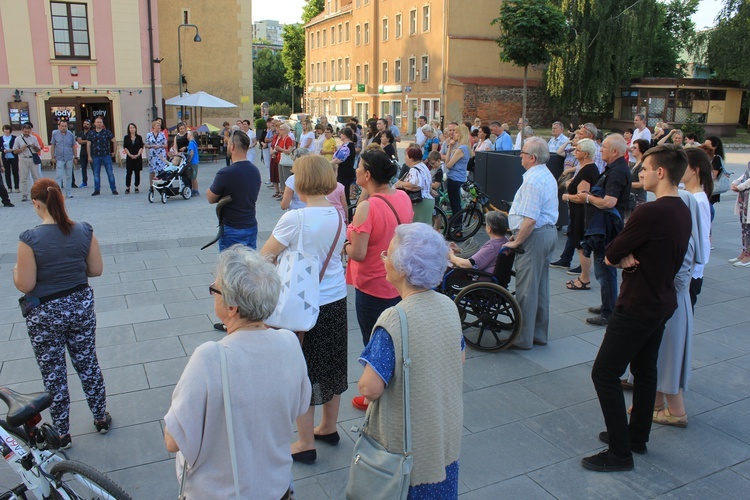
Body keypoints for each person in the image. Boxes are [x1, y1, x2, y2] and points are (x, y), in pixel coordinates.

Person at [164, 246, 310, 498]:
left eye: (215, 289)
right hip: (276, 488)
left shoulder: (209, 357)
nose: (212, 292)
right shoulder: (289, 343)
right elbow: (299, 407)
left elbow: (173, 441)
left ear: (232, 307)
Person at [584, 145, 691, 472]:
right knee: (645, 371)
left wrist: (620, 256)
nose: (639, 173)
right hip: (660, 301)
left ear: (660, 172)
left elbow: (612, 251)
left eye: (644, 168)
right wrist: (622, 255)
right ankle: (636, 437)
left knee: (604, 373)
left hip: (637, 304)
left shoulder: (650, 211)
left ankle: (620, 453)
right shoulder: (682, 209)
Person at [355, 223, 463, 496]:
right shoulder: (448, 305)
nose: (384, 260)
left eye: (387, 255)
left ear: (402, 269)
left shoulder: (395, 318)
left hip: (407, 444)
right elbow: (459, 356)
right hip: (443, 430)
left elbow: (370, 387)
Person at [261, 156, 347, 465]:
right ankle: (329, 427)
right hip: (336, 298)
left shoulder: (294, 219)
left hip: (303, 305)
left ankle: (305, 442)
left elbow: (266, 255)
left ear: (300, 180)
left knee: (304, 371)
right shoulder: (338, 215)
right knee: (332, 364)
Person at [13, 178, 110, 449]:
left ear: (36, 204)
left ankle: (62, 432)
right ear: (61, 200)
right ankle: (100, 416)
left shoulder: (29, 239)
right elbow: (96, 269)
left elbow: (26, 284)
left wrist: (14, 274)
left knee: (53, 374)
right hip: (80, 306)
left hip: (45, 314)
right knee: (88, 362)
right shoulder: (84, 231)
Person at [344, 149, 413, 410]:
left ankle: (376, 394)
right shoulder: (403, 197)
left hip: (372, 283)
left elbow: (358, 253)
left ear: (368, 174)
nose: (356, 171)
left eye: (359, 167)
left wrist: (344, 244)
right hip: (397, 281)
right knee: (394, 338)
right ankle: (393, 387)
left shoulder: (367, 208)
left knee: (373, 342)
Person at [503, 137, 558, 349]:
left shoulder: (533, 180)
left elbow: (530, 219)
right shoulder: (545, 174)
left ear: (532, 158)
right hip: (546, 234)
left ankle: (522, 338)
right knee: (540, 288)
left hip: (535, 237)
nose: (521, 156)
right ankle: (538, 333)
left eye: (523, 153)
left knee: (526, 289)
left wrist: (516, 242)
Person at [583, 134, 632, 327]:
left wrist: (587, 198)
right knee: (603, 270)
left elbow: (609, 202)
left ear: (615, 151)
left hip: (608, 228)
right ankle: (608, 304)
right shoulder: (614, 168)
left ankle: (608, 312)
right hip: (605, 226)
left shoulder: (618, 171)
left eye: (604, 147)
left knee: (605, 270)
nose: (600, 149)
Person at [207, 130, 261, 251]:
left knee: (230, 267)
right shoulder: (255, 171)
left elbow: (210, 198)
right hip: (251, 224)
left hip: (232, 228)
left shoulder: (226, 173)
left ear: (232, 147)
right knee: (250, 266)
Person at [561, 138, 600, 291]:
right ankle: (584, 277)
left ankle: (585, 278)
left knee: (581, 246)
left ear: (585, 154)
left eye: (577, 150)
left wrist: (567, 196)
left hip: (581, 214)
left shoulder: (587, 170)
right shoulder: (586, 168)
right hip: (580, 213)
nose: (575, 152)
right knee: (580, 244)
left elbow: (581, 197)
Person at [394, 147, 433, 224]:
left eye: (406, 156)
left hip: (420, 202)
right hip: (428, 201)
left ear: (411, 158)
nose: (405, 158)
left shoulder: (414, 170)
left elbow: (415, 184)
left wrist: (401, 184)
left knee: (418, 229)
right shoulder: (423, 166)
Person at [444, 124, 470, 234]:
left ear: (461, 134)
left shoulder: (461, 149)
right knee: (455, 203)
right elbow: (446, 162)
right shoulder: (460, 147)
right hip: (455, 177)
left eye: (456, 132)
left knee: (456, 205)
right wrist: (449, 147)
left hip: (456, 179)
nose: (454, 134)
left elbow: (449, 165)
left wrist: (451, 151)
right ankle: (456, 227)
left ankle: (458, 229)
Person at [87, 117, 118, 196]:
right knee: (96, 173)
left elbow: (114, 141)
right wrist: (89, 156)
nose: (99, 124)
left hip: (106, 155)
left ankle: (113, 189)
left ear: (102, 124)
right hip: (95, 156)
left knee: (110, 173)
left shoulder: (107, 132)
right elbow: (88, 145)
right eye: (97, 122)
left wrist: (114, 151)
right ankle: (97, 190)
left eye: (100, 122)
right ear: (94, 123)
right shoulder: (91, 133)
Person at [13, 123, 42, 202]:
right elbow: (15, 151)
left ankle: (37, 194)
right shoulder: (18, 139)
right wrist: (21, 149)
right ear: (22, 130)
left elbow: (39, 149)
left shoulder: (34, 138)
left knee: (36, 177)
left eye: (28, 132)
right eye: (25, 131)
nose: (26, 133)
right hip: (23, 158)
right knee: (23, 178)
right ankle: (24, 194)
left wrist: (34, 146)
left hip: (32, 158)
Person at [49, 119, 77, 199]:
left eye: (65, 126)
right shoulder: (55, 134)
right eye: (62, 126)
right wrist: (52, 157)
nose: (64, 128)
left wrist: (75, 157)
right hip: (59, 158)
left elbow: (73, 146)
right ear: (59, 126)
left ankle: (68, 192)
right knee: (59, 176)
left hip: (69, 157)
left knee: (69, 176)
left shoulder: (70, 134)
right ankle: (58, 193)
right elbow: (53, 145)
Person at [729, 160, 750, 267]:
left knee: (748, 228)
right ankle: (744, 252)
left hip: (747, 195)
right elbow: (746, 174)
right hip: (745, 197)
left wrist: (739, 187)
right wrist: (735, 182)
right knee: (744, 227)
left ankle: (748, 256)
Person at [332, 127, 357, 202]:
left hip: (345, 173)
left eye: (341, 134)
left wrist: (328, 162)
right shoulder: (345, 145)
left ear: (345, 135)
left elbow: (338, 159)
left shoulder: (348, 146)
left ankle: (347, 211)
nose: (340, 135)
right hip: (343, 172)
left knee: (344, 195)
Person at [272, 124, 295, 197]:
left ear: (285, 130)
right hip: (280, 160)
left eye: (281, 129)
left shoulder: (288, 139)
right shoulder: (281, 138)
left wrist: (280, 149)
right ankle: (283, 193)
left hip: (286, 161)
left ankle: (287, 195)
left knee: (286, 178)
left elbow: (289, 151)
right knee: (281, 178)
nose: (279, 131)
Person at [144, 120, 168, 189]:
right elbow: (146, 145)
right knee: (152, 171)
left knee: (162, 170)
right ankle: (151, 186)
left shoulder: (162, 134)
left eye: (159, 126)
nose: (158, 127)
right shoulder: (149, 135)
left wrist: (159, 146)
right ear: (153, 126)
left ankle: (162, 184)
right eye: (157, 126)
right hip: (152, 155)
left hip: (160, 155)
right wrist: (151, 146)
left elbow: (165, 145)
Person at [123, 123, 144, 194]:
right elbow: (125, 147)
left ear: (135, 128)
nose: (132, 129)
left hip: (137, 157)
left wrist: (137, 154)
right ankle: (127, 187)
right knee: (129, 173)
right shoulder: (126, 137)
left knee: (137, 173)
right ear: (129, 129)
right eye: (130, 128)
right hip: (130, 157)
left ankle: (136, 187)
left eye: (133, 127)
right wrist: (130, 155)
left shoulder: (139, 137)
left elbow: (141, 147)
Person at [629, 139, 651, 207]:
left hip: (637, 199)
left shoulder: (642, 165)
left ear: (642, 149)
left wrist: (626, 184)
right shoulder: (636, 164)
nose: (632, 149)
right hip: (632, 198)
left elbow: (641, 183)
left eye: (635, 148)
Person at [2, 124, 19, 193]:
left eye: (7, 129)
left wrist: (11, 150)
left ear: (10, 130)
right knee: (7, 172)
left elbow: (17, 146)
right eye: (5, 129)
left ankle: (17, 187)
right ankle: (9, 187)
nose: (6, 130)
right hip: (5, 157)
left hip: (13, 156)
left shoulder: (14, 138)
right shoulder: (1, 138)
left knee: (15, 172)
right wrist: (3, 150)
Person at [186, 131, 200, 197]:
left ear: (191, 135)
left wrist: (188, 160)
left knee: (193, 177)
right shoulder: (194, 142)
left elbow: (191, 152)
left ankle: (196, 190)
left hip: (193, 162)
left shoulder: (191, 143)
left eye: (188, 134)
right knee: (192, 177)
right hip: (195, 161)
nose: (187, 135)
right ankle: (194, 189)